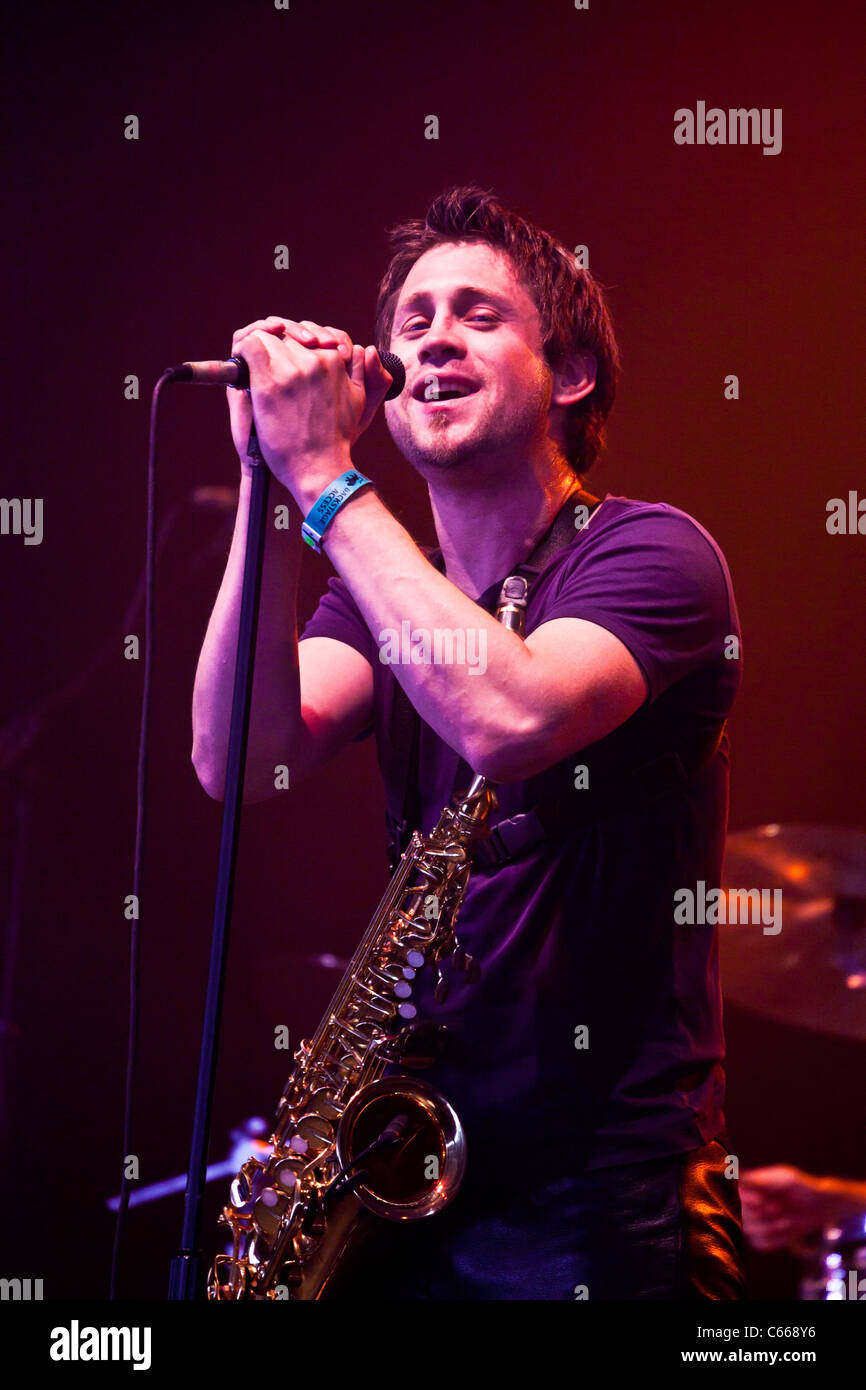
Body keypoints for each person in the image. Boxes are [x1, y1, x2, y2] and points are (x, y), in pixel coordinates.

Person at [192, 185, 745, 1299]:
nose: (432, 336)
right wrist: (265, 480)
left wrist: (323, 479)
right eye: (410, 321)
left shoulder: (650, 553)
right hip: (420, 1177)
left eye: (477, 315)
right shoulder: (386, 595)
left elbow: (511, 717)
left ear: (571, 373)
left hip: (607, 1197)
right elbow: (238, 762)